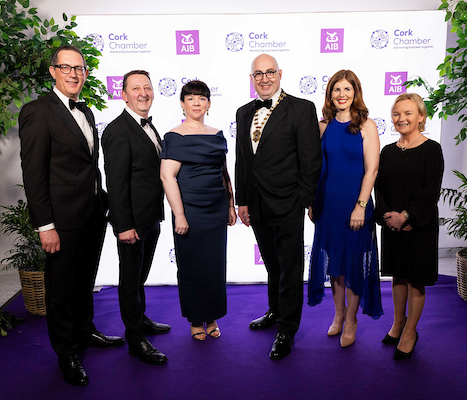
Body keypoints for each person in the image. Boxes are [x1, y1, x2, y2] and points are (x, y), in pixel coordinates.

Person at [19, 45, 124, 386]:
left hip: (92, 214)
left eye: (79, 68)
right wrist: (45, 226)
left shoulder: (87, 112)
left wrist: (103, 202)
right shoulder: (38, 112)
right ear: (53, 71)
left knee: (83, 281)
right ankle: (66, 353)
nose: (74, 74)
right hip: (61, 221)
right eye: (66, 67)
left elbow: (87, 166)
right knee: (61, 289)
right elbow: (34, 174)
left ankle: (85, 331)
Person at [235, 54, 322, 359]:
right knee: (272, 265)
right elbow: (243, 160)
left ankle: (287, 328)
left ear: (280, 74)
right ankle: (275, 310)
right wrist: (242, 200)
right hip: (257, 204)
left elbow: (311, 160)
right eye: (258, 74)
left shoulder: (301, 108)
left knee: (290, 268)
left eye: (270, 72)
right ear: (252, 79)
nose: (264, 78)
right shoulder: (243, 112)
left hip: (287, 203)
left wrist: (301, 201)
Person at [307, 70, 383, 348]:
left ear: (355, 93)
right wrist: (312, 201)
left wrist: (361, 206)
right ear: (330, 95)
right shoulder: (323, 126)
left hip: (355, 202)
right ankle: (338, 315)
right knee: (334, 263)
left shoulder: (367, 126)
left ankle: (351, 320)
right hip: (327, 203)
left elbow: (372, 170)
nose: (341, 95)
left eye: (347, 89)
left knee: (353, 263)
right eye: (336, 89)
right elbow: (316, 168)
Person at [101, 70, 170, 366]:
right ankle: (135, 339)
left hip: (151, 217)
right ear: (124, 95)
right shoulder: (118, 130)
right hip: (131, 223)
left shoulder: (149, 126)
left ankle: (139, 319)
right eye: (136, 88)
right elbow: (115, 183)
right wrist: (124, 225)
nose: (143, 93)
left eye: (147, 87)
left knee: (139, 277)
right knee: (130, 281)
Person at [160, 80, 236, 341]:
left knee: (214, 266)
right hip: (189, 209)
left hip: (216, 208)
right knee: (192, 266)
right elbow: (167, 177)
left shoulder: (217, 134)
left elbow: (224, 172)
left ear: (209, 104)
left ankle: (212, 317)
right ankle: (195, 319)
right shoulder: (174, 136)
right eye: (190, 98)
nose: (196, 103)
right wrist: (179, 215)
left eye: (201, 98)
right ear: (182, 104)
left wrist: (230, 204)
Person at [374, 93, 444, 360]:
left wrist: (405, 216)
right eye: (396, 113)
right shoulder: (387, 151)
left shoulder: (432, 149)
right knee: (398, 276)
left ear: (421, 116)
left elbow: (430, 190)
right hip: (393, 227)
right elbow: (380, 189)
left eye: (408, 113)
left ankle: (410, 331)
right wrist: (388, 217)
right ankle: (398, 322)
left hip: (419, 226)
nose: (401, 118)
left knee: (415, 279)